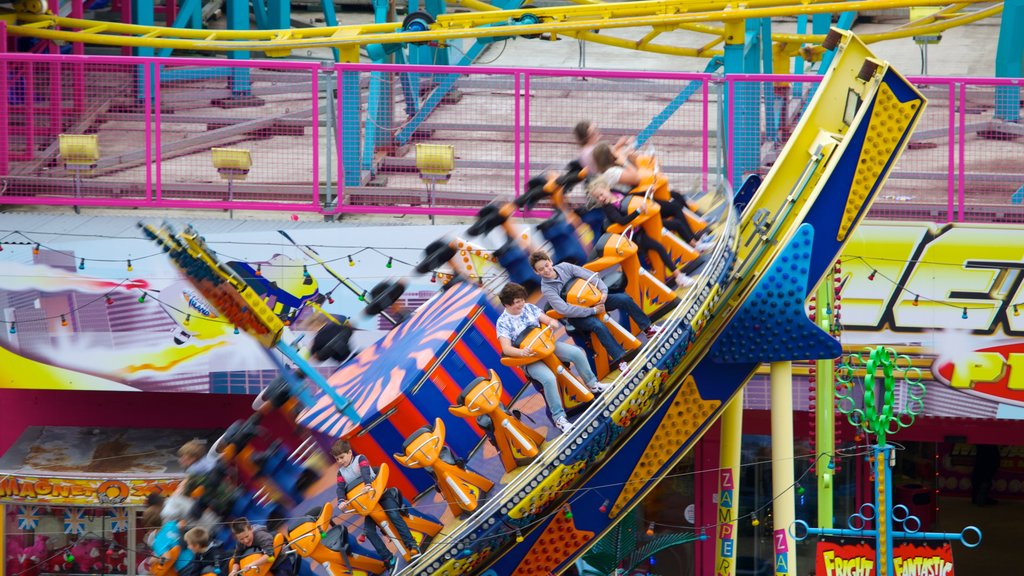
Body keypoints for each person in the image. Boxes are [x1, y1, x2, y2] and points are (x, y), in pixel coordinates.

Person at [497, 282, 611, 433]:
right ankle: (559, 418)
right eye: (516, 302)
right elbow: (506, 348)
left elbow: (547, 320)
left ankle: (593, 384)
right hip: (530, 358)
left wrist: (552, 323)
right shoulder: (502, 323)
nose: (521, 304)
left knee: (576, 353)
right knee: (548, 378)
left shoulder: (529, 307)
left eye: (521, 300)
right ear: (506, 304)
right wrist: (521, 353)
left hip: (546, 345)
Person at [530, 250, 659, 371]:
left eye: (547, 265)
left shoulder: (565, 266)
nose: (546, 270)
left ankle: (648, 329)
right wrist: (592, 311)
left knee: (624, 299)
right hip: (578, 316)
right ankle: (620, 361)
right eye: (541, 269)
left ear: (550, 261)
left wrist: (603, 293)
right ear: (536, 273)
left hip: (595, 301)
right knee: (598, 326)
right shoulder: (546, 289)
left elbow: (591, 276)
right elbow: (565, 310)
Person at [591, 143, 712, 250]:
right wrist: (623, 160)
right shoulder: (611, 173)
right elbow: (635, 178)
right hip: (637, 204)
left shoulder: (613, 169)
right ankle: (694, 239)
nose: (616, 152)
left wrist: (630, 158)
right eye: (613, 151)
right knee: (674, 208)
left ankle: (697, 229)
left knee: (675, 196)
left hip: (639, 197)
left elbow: (635, 173)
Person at [587, 180, 695, 288]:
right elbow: (621, 221)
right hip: (633, 236)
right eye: (597, 198)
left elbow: (631, 196)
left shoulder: (617, 194)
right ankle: (679, 277)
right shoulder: (608, 208)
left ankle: (695, 244)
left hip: (643, 226)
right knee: (659, 247)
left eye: (601, 194)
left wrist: (646, 192)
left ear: (607, 188)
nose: (600, 198)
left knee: (676, 224)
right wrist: (638, 211)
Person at [331, 440, 419, 567]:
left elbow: (365, 472)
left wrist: (368, 485)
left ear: (350, 453)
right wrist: (341, 500)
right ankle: (388, 558)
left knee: (393, 515)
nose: (340, 461)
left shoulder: (360, 459)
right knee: (369, 532)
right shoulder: (341, 473)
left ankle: (412, 545)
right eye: (337, 459)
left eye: (341, 457)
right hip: (368, 505)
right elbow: (340, 488)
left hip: (382, 496)